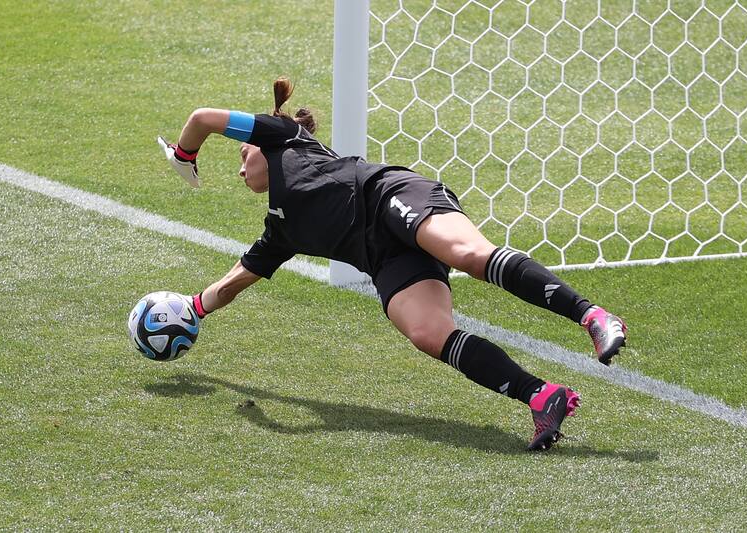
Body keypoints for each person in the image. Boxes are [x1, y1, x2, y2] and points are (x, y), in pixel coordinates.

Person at [158, 77, 627, 451]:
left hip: (390, 197)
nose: (242, 170)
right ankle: (543, 397)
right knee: (426, 332)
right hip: (384, 258)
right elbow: (233, 284)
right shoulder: (280, 231)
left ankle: (593, 317)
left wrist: (184, 155)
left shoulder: (285, 136)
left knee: (467, 255)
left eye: (243, 156)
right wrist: (191, 309)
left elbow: (202, 118)